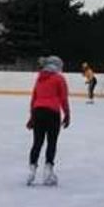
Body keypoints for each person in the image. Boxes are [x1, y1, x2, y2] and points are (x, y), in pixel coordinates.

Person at [27, 56, 71, 186]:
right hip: (52, 113)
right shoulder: (59, 78)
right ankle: (48, 170)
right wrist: (67, 114)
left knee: (37, 142)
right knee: (52, 142)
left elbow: (34, 98)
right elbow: (63, 98)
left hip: (38, 112)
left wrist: (32, 117)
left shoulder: (39, 78)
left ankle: (32, 170)